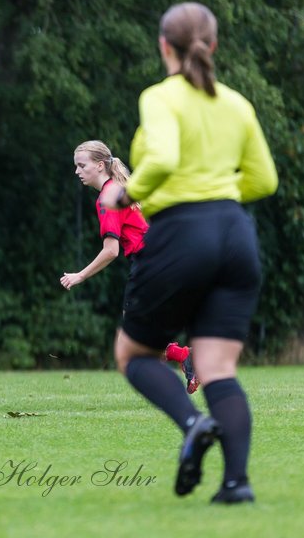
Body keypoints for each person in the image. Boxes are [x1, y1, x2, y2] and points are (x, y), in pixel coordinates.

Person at [101, 2, 277, 505]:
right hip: (236, 233)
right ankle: (236, 484)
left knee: (132, 354)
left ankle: (194, 422)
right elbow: (265, 180)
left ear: (164, 46)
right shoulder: (237, 103)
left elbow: (164, 158)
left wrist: (126, 195)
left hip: (183, 234)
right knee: (219, 368)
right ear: (213, 45)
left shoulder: (160, 97)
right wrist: (217, 197)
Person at [60, 140, 200, 394]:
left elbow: (111, 250)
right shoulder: (118, 190)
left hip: (150, 264)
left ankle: (183, 364)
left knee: (133, 341)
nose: (77, 171)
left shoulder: (107, 198)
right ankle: (184, 359)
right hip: (161, 261)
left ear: (100, 165)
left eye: (82, 165)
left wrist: (80, 275)